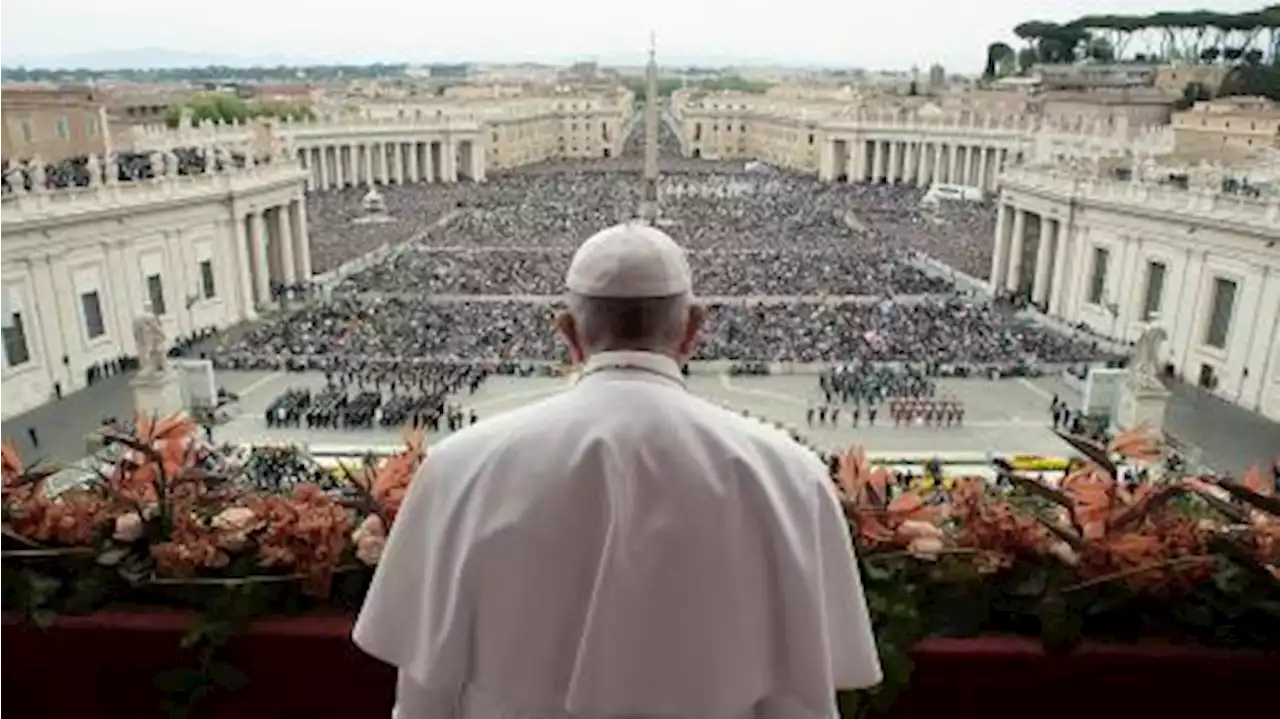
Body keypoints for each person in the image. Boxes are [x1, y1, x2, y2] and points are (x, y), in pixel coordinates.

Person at [354, 221, 882, 718]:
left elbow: (424, 695)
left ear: (567, 332)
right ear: (693, 328)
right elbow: (802, 700)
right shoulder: (789, 475)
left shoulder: (458, 468)